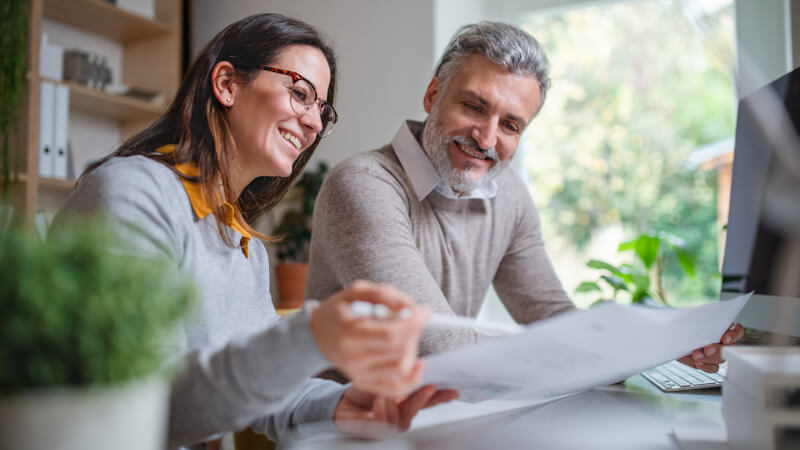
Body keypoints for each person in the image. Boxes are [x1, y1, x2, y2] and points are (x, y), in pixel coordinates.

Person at [54, 14, 457, 449]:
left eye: (322, 110)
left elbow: (267, 393)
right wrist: (309, 335)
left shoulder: (241, 243)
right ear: (226, 84)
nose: (314, 124)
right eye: (299, 93)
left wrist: (343, 403)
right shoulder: (134, 193)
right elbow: (145, 404)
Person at [306, 22, 743, 371]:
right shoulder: (364, 184)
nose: (487, 138)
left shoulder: (506, 194)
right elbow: (438, 347)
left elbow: (549, 315)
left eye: (511, 125)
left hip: (441, 416)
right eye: (474, 107)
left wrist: (660, 343)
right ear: (433, 94)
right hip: (344, 426)